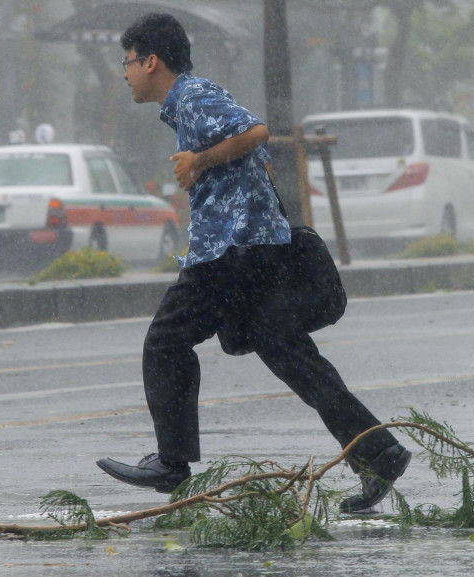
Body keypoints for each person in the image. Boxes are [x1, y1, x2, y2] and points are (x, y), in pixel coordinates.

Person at [96, 12, 411, 513]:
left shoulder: (194, 98)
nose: (126, 72)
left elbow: (257, 131)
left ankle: (171, 461)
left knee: (166, 340)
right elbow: (248, 148)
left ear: (150, 61)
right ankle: (378, 451)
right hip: (254, 247)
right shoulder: (190, 103)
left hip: (231, 251)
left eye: (128, 62)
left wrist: (199, 161)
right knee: (288, 353)